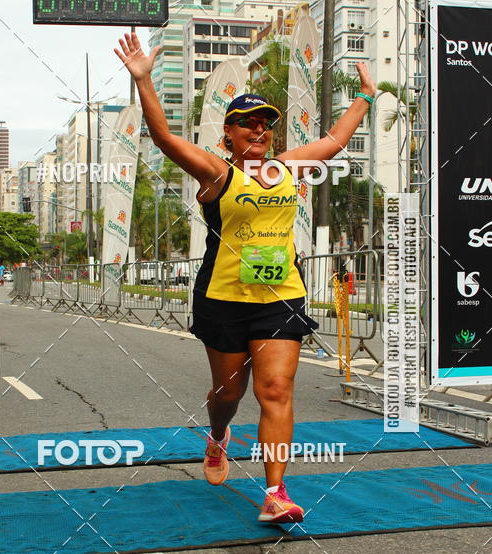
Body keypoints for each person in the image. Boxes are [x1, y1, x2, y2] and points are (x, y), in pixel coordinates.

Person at [115, 32, 376, 523]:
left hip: (280, 296)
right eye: (247, 123)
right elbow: (164, 139)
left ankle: (275, 493)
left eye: (265, 124)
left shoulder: (286, 168)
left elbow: (335, 141)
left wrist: (365, 95)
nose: (258, 130)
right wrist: (144, 80)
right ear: (228, 135)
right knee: (228, 395)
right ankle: (218, 434)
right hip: (224, 297)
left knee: (275, 389)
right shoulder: (217, 173)